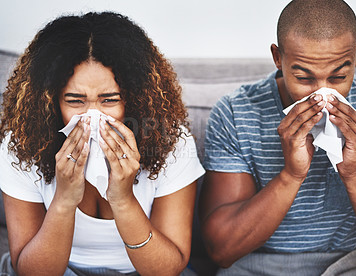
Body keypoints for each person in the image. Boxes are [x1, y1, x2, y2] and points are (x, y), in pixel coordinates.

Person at [199, 0, 356, 274]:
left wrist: (355, 175)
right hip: (258, 267)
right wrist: (291, 175)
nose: (322, 95)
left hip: (354, 262)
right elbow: (222, 250)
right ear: (278, 58)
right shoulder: (236, 112)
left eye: (338, 76)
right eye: (304, 78)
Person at [0, 12, 205, 276]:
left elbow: (167, 269)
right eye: (75, 100)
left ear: (135, 99)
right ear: (50, 101)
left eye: (109, 100)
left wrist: (123, 200)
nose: (93, 117)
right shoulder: (22, 144)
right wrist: (63, 200)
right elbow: (32, 270)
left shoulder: (171, 143)